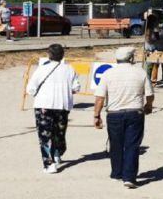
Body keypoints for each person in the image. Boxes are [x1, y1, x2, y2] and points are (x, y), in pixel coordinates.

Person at [93, 46, 154, 189]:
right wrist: (148, 106)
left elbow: (99, 98)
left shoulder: (108, 74)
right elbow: (150, 95)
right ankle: (129, 177)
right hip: (135, 113)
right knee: (132, 145)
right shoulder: (141, 72)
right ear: (131, 58)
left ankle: (117, 172)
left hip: (114, 114)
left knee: (116, 144)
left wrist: (96, 115)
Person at [26, 43, 81, 174]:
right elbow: (76, 88)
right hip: (62, 105)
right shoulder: (69, 69)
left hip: (44, 104)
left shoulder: (42, 69)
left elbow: (31, 88)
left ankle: (49, 164)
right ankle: (57, 153)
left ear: (49, 55)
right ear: (63, 55)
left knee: (45, 135)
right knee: (59, 132)